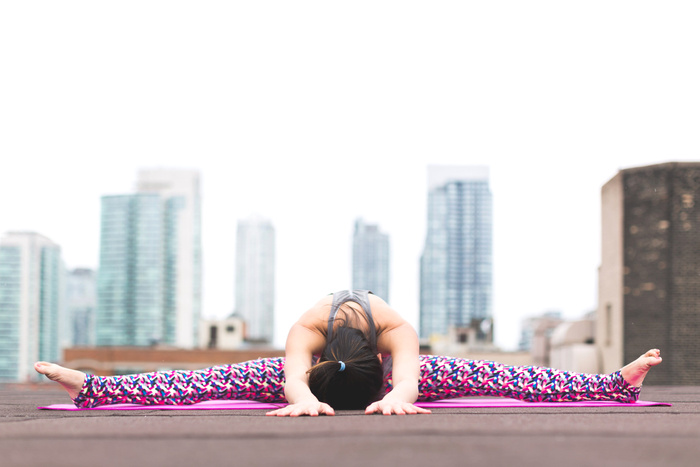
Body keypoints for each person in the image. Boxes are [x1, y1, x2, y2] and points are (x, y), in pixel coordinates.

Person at [35, 290, 662, 416]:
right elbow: (289, 384)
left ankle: (613, 383)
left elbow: (414, 381)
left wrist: (398, 399)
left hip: (383, 373)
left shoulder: (397, 335)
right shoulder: (304, 336)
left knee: (496, 373)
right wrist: (302, 399)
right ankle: (89, 386)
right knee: (210, 378)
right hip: (328, 371)